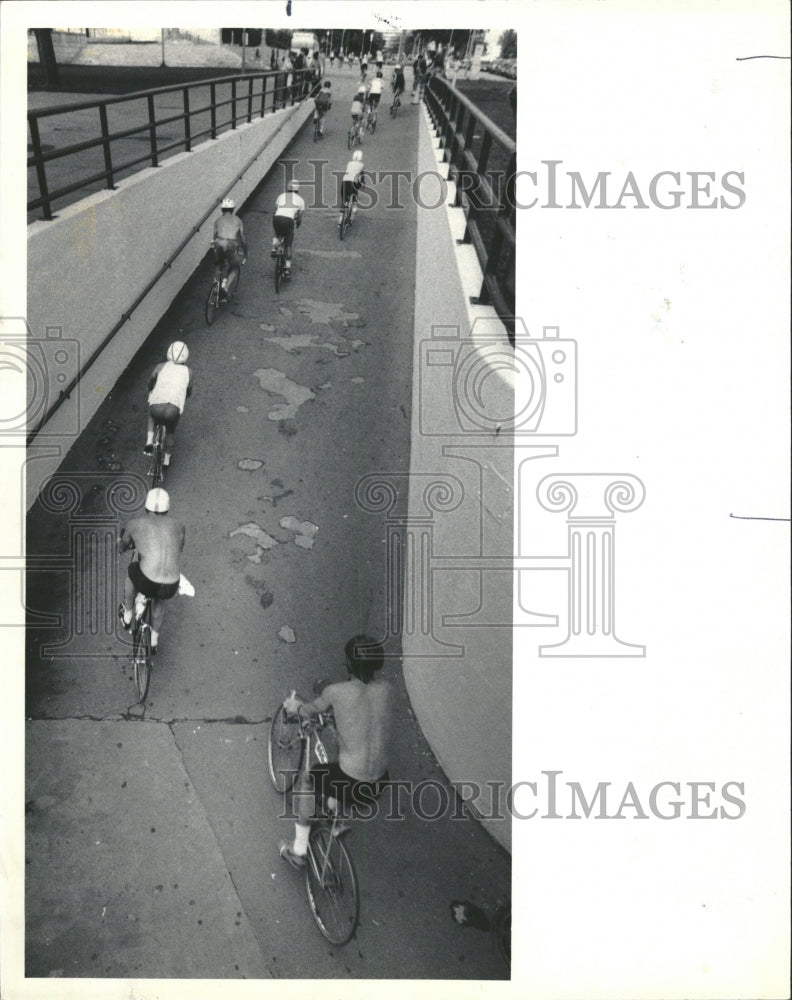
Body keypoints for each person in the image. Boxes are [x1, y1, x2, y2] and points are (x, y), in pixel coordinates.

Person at [278, 635, 393, 869]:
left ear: (349, 664)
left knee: (310, 778)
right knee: (347, 759)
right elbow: (364, 720)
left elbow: (309, 710)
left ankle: (298, 851)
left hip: (351, 781)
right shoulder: (387, 690)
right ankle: (336, 812)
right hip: (380, 783)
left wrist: (294, 706)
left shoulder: (335, 692)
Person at [117, 488, 185, 655]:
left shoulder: (135, 524)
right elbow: (179, 548)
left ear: (146, 507)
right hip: (171, 584)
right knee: (160, 597)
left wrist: (122, 542)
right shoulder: (179, 526)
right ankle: (154, 640)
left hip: (147, 581)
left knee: (132, 570)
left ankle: (127, 615)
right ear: (167, 509)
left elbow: (122, 547)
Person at [143, 341, 192, 468]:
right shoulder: (189, 372)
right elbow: (188, 390)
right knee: (170, 431)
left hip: (157, 406)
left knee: (152, 416)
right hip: (173, 409)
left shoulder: (160, 366)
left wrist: (149, 388)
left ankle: (149, 441)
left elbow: (151, 380)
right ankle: (166, 460)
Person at [212, 198, 247, 299]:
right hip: (230, 243)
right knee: (235, 266)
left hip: (219, 242)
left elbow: (214, 237)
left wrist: (215, 249)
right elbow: (243, 239)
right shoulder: (238, 220)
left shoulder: (217, 221)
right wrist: (245, 252)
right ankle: (225, 288)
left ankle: (215, 285)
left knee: (219, 263)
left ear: (222, 210)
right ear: (233, 209)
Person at [271, 179, 305, 275]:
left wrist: (274, 221)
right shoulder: (300, 200)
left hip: (277, 218)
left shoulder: (281, 196)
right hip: (288, 221)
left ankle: (274, 248)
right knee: (288, 244)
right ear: (298, 189)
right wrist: (297, 224)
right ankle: (287, 268)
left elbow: (275, 210)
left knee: (277, 232)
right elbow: (299, 218)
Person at [338, 149, 366, 226]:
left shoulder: (349, 163)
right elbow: (362, 176)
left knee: (344, 200)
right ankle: (354, 206)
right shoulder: (362, 165)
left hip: (345, 182)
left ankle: (340, 219)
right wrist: (362, 183)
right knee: (355, 190)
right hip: (353, 183)